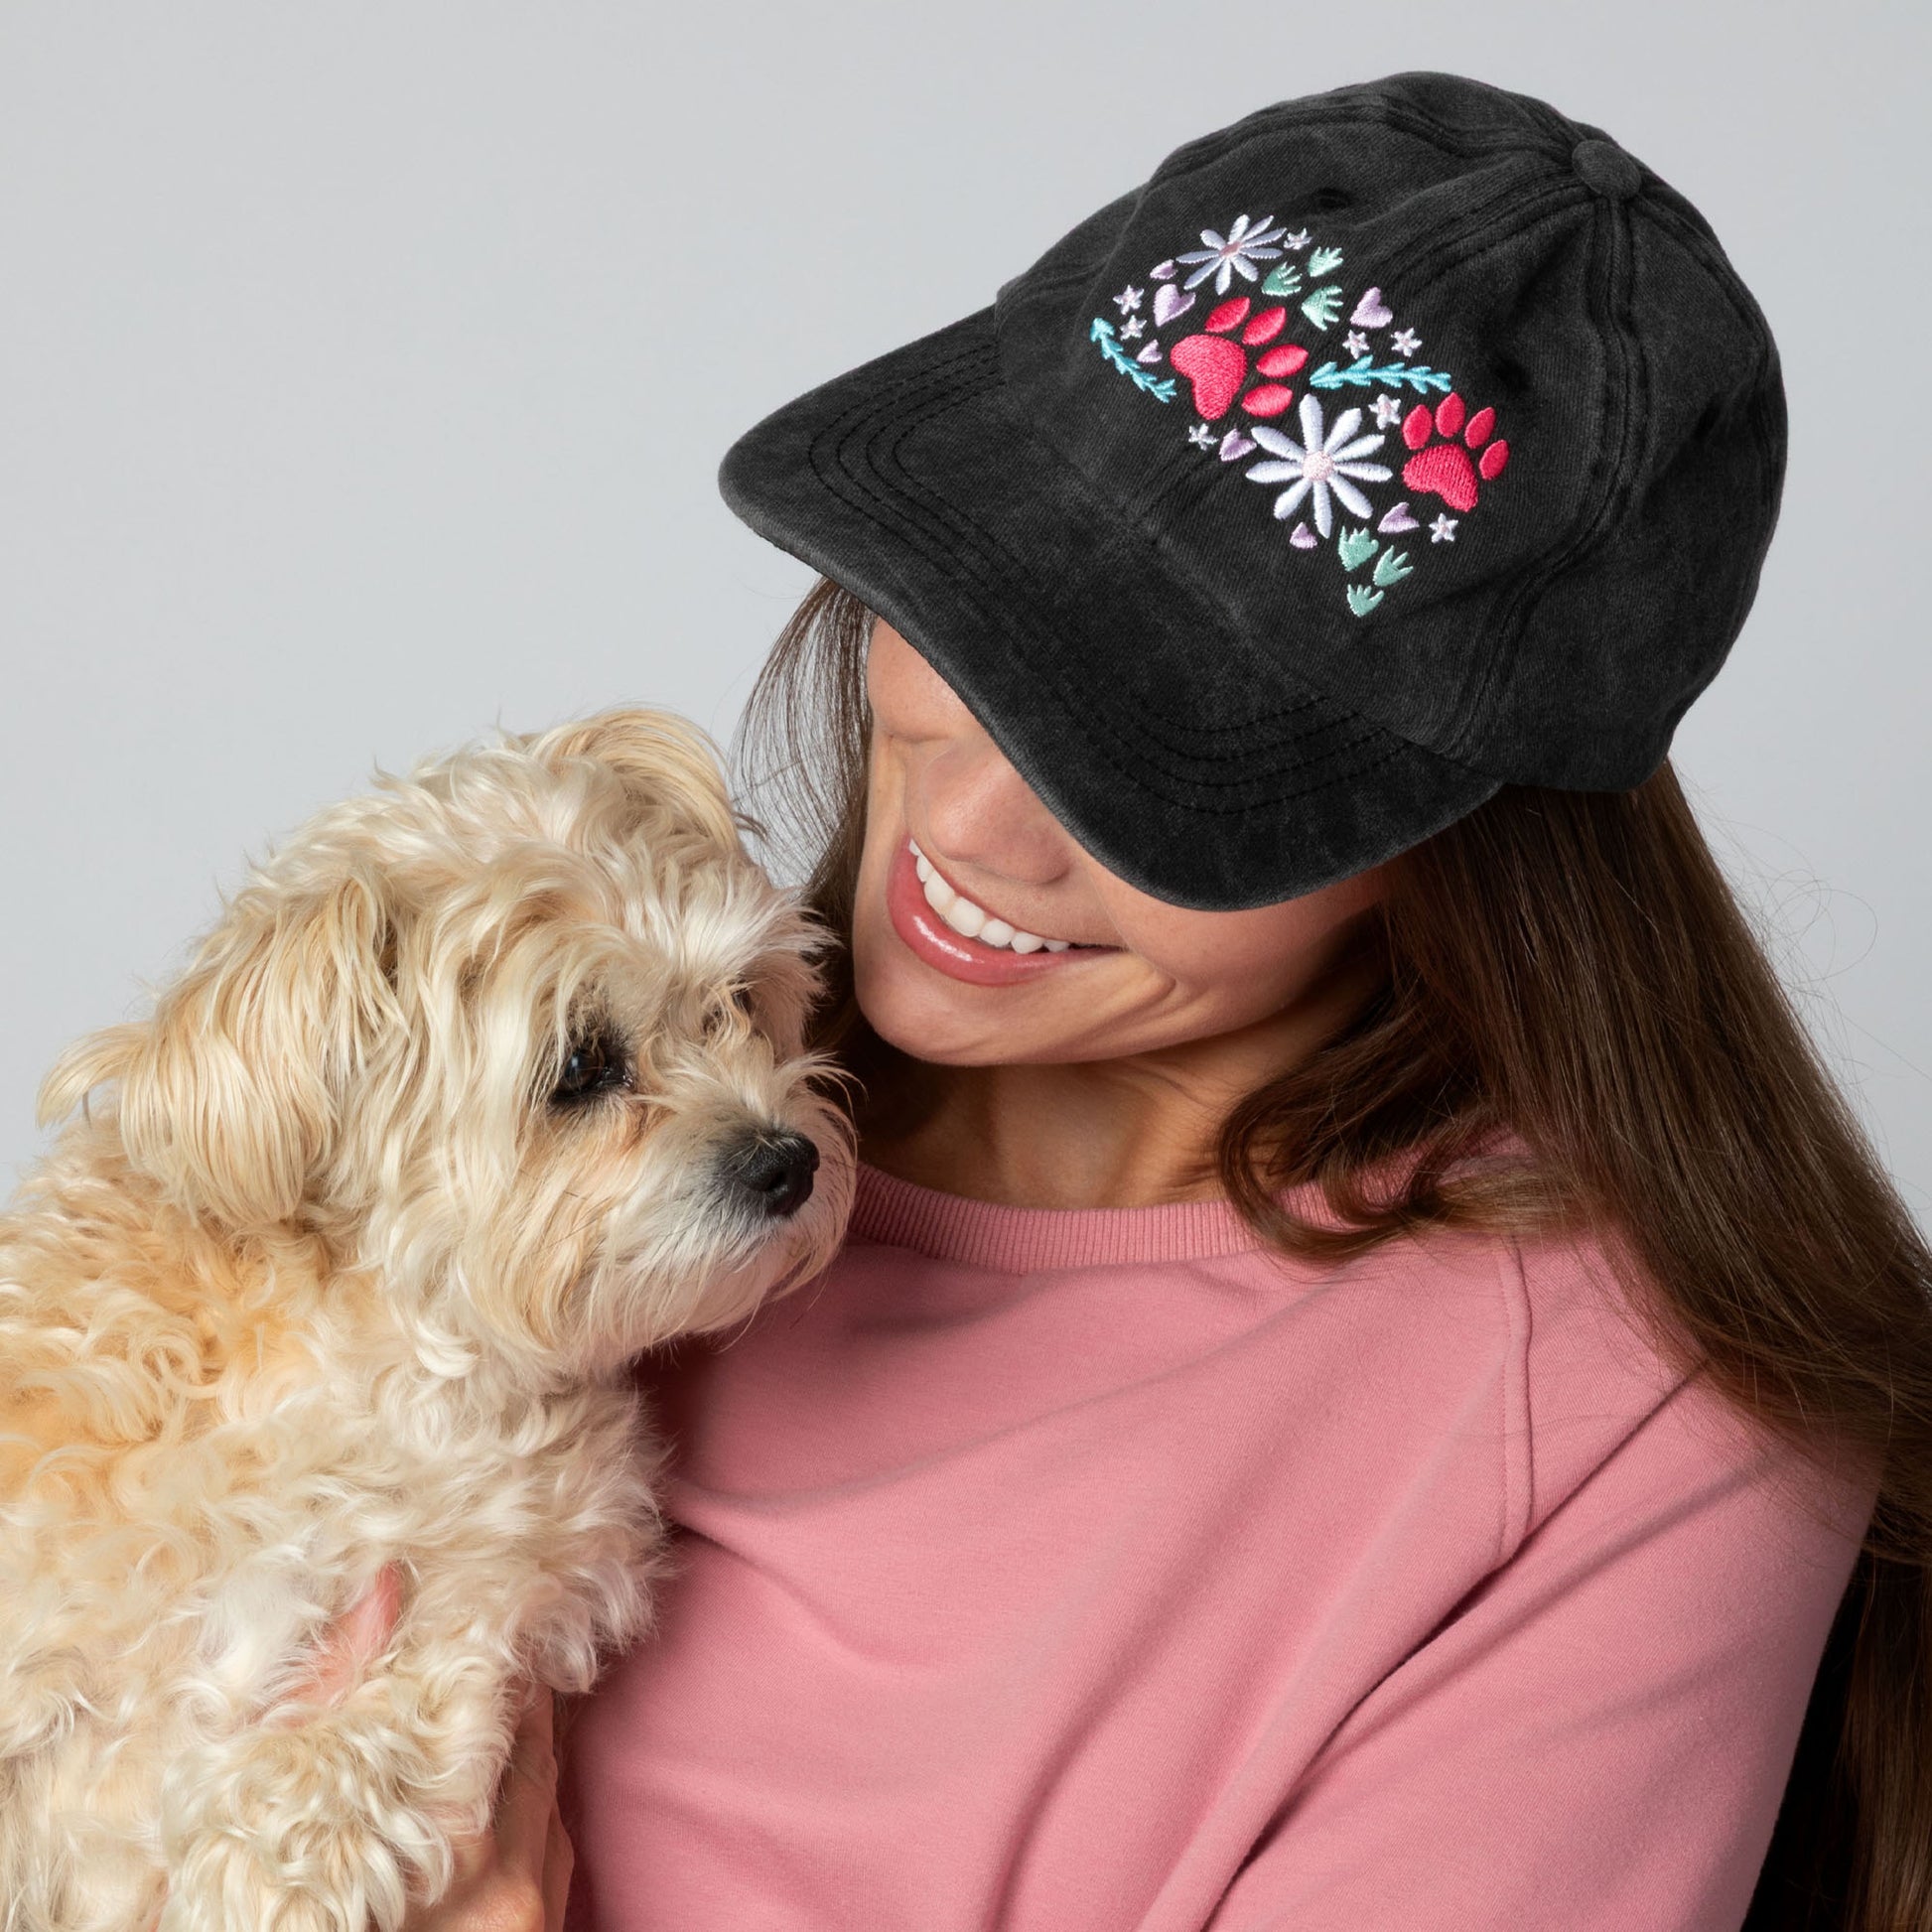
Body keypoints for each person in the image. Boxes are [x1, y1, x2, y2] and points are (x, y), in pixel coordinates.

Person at [362, 71, 1932, 1930]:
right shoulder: (536, 1106)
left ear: (1464, 833)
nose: (961, 821)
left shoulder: (1630, 1422)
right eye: (967, 618)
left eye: (1162, 759)